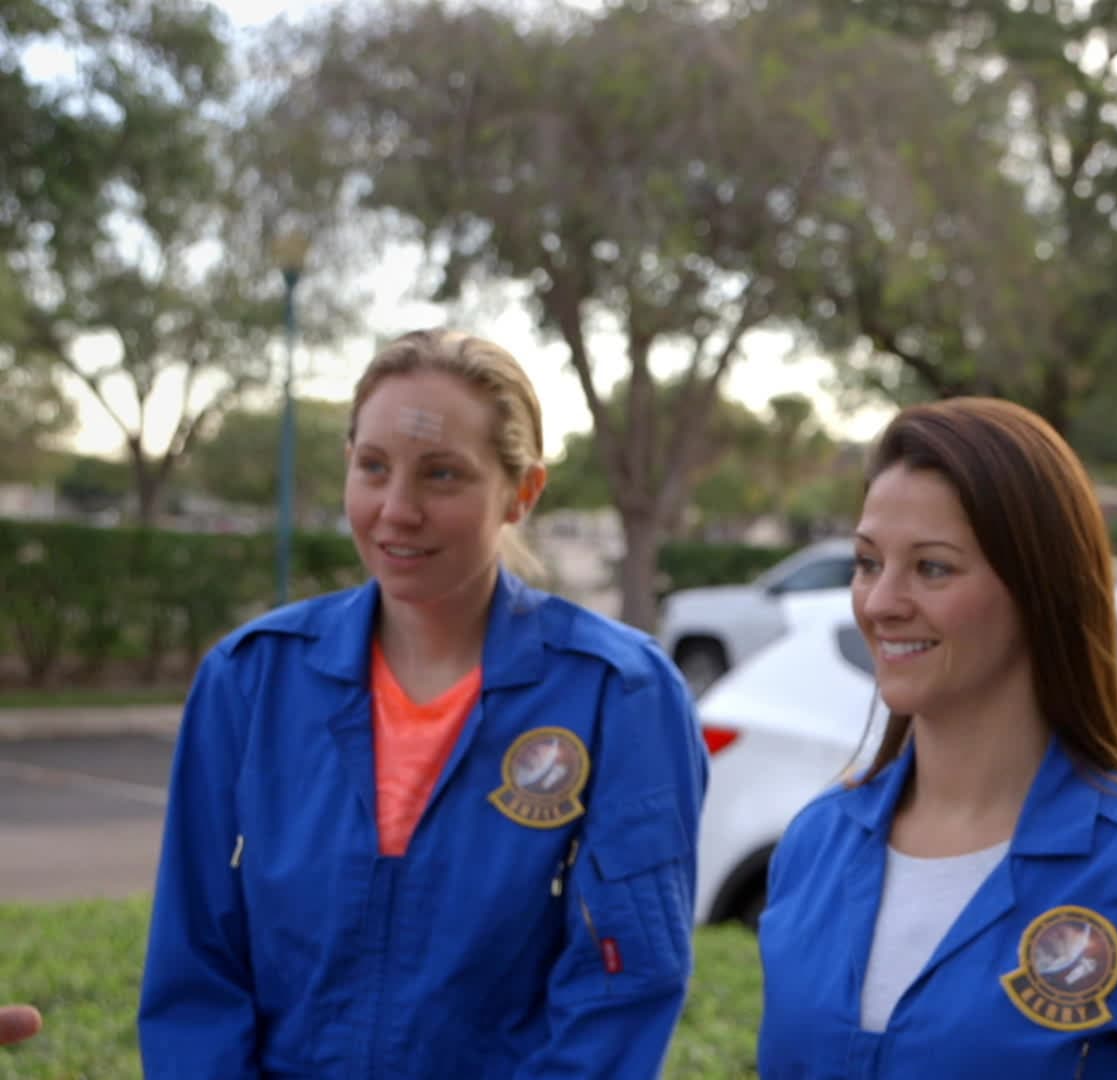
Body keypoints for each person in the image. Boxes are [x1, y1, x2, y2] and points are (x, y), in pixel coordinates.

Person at [138, 329, 706, 1077]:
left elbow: (625, 984)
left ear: (522, 493)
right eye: (374, 467)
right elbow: (194, 970)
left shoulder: (618, 692)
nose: (397, 510)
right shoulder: (250, 680)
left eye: (442, 475)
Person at [755, 396, 1117, 1078]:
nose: (879, 603)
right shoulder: (816, 845)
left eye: (932, 567)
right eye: (868, 562)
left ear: (1040, 590)